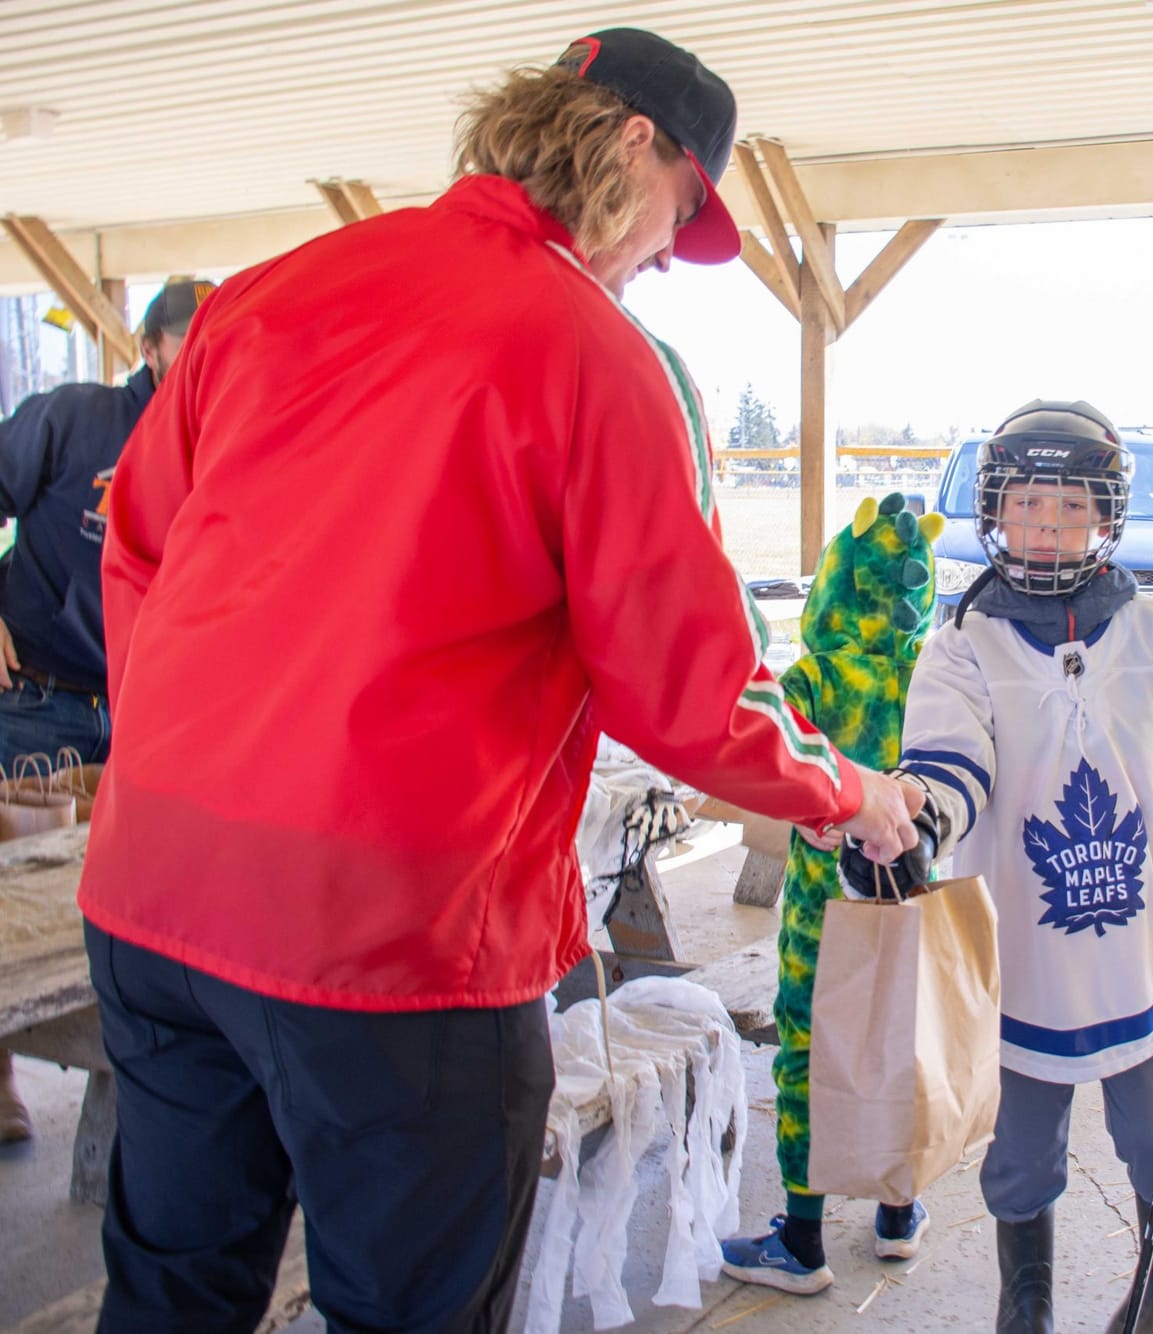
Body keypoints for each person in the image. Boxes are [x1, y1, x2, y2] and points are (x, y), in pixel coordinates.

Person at [76, 28, 920, 1332]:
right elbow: (689, 689)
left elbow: (136, 550)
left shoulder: (273, 289)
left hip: (153, 894)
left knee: (170, 1291)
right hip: (388, 939)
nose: (659, 257)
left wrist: (181, 762)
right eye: (679, 215)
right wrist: (842, 786)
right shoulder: (591, 354)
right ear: (634, 148)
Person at [838, 400, 1153, 1334]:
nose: (1046, 528)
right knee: (1021, 1156)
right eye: (1029, 506)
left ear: (1105, 516)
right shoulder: (961, 647)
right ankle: (1023, 1305)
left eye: (1068, 509)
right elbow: (949, 767)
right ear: (996, 513)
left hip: (1137, 950)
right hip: (1023, 958)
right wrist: (911, 826)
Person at [719, 492, 947, 1294]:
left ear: (836, 581)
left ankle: (804, 1239)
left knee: (810, 1054)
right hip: (909, 905)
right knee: (901, 1043)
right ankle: (896, 1214)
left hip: (824, 915)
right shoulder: (932, 674)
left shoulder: (811, 678)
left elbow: (775, 774)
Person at [0, 279, 210, 1145]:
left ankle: (132, 1087)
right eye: (188, 346)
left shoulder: (222, 447)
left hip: (144, 714)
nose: (204, 366)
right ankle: (3, 1080)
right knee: (14, 897)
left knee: (133, 899)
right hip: (36, 698)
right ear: (152, 348)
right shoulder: (74, 418)